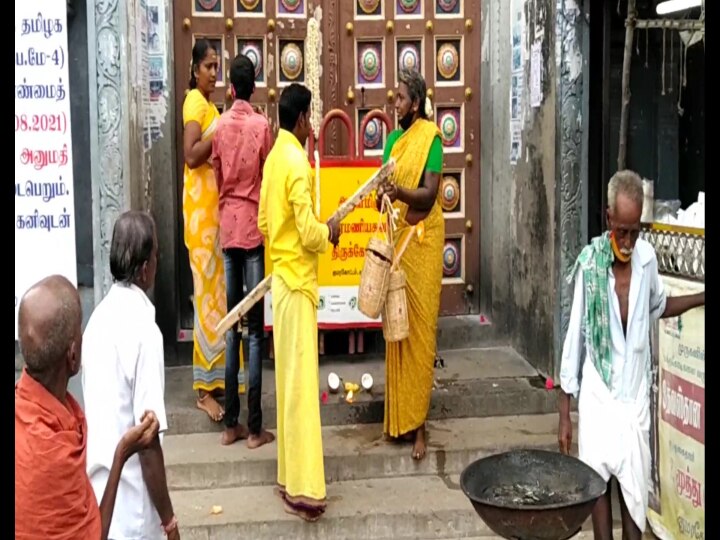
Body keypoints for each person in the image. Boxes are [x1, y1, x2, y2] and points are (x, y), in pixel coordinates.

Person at [558, 170, 705, 540]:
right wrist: (565, 414)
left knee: (635, 513)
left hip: (634, 401)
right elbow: (574, 339)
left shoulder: (647, 260)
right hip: (598, 399)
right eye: (621, 230)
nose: (627, 240)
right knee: (599, 499)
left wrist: (702, 297)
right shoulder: (590, 266)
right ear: (609, 218)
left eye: (634, 231)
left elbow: (659, 305)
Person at [15, 275, 161, 540]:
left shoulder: (33, 409)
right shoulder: (50, 452)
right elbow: (94, 536)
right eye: (79, 331)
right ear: (72, 356)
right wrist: (121, 454)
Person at [258, 83, 341, 522]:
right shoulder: (294, 161)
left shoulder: (274, 159)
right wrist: (330, 232)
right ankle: (305, 489)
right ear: (305, 118)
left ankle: (287, 478)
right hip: (299, 282)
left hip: (282, 285)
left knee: (289, 383)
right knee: (303, 390)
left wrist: (287, 247)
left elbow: (264, 222)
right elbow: (309, 231)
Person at [82, 211, 180, 540]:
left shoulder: (96, 322)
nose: (158, 260)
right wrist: (169, 522)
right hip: (135, 512)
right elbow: (147, 437)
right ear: (144, 269)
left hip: (101, 502)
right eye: (156, 254)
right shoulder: (145, 332)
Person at [376, 68, 444, 461]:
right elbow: (386, 186)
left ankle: (420, 426)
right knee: (397, 331)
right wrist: (382, 197)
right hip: (398, 239)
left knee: (421, 332)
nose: (394, 103)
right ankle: (398, 421)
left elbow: (429, 195)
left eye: (400, 97)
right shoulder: (393, 142)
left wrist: (397, 191)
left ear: (415, 103)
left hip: (424, 240)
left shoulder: (431, 139)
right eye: (394, 97)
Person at [211, 53, 275, 448]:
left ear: (231, 88)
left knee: (232, 326)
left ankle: (230, 425)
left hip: (228, 226)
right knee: (254, 331)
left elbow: (217, 171)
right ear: (253, 88)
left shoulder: (219, 126)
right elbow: (266, 174)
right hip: (253, 227)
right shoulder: (262, 125)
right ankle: (254, 429)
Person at [183, 38, 245, 422]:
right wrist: (218, 129)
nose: (213, 72)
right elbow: (191, 156)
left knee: (217, 299)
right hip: (200, 218)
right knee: (206, 297)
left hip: (214, 215)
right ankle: (203, 390)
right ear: (194, 69)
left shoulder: (208, 106)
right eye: (208, 66)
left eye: (216, 66)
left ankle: (218, 376)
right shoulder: (194, 103)